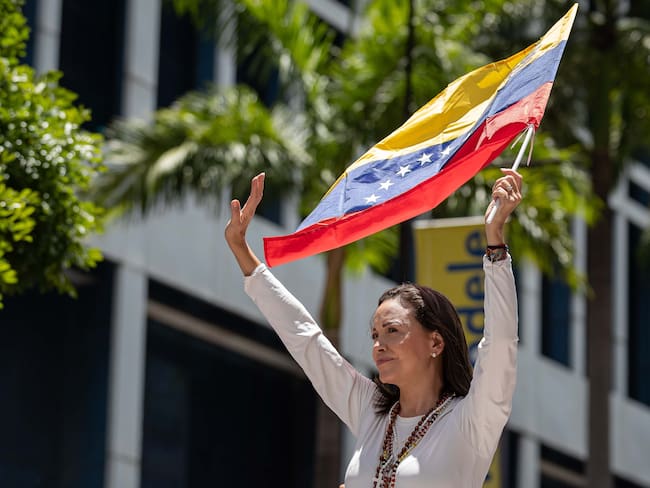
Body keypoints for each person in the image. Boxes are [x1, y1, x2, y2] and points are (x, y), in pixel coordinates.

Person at [225, 169, 522, 488]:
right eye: (375, 335)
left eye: (392, 331)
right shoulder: (373, 414)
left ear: (435, 342)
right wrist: (243, 251)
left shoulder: (472, 420)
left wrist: (494, 243)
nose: (379, 345)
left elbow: (501, 342)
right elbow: (307, 340)